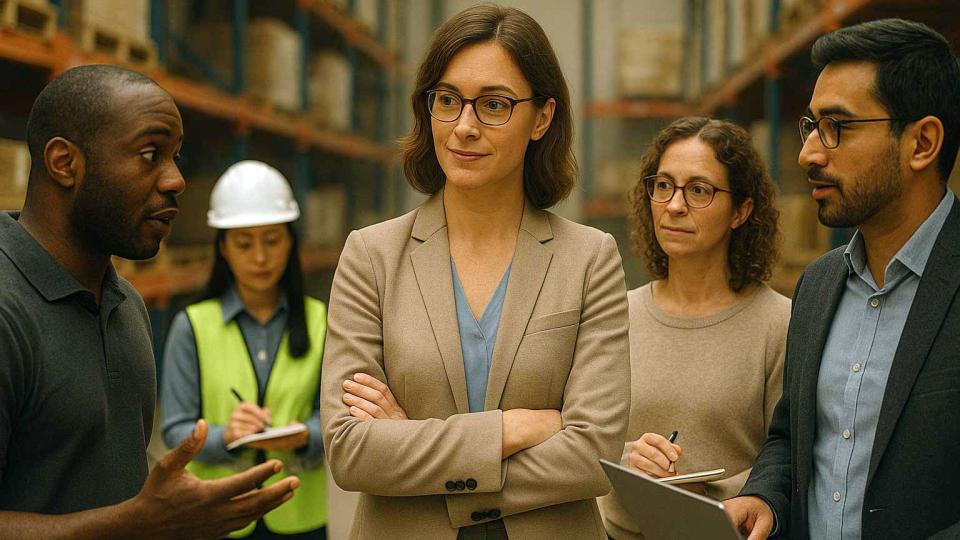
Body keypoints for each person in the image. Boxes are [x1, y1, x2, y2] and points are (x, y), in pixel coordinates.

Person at [318, 5, 630, 539]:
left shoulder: (588, 259)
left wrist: (413, 447)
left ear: (542, 118)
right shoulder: (371, 256)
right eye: (447, 101)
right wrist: (512, 428)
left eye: (494, 105)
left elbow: (593, 453)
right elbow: (351, 451)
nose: (464, 127)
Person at [0, 65, 298, 538]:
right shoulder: (7, 311)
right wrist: (139, 523)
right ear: (64, 163)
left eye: (175, 157)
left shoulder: (127, 306)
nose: (176, 180)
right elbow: (132, 519)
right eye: (149, 155)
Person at [724, 18, 960, 540]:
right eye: (811, 126)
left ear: (922, 143)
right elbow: (790, 435)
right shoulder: (819, 285)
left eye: (838, 126)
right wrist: (765, 497)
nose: (809, 153)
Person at [599, 117, 789, 539]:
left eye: (699, 190)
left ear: (741, 211)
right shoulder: (615, 316)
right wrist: (634, 463)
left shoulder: (780, 323)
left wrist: (701, 493)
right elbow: (587, 445)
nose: (674, 205)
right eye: (664, 186)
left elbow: (790, 458)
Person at [161, 161, 327, 539]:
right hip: (215, 516)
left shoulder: (322, 321)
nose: (260, 258)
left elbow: (337, 420)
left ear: (290, 242)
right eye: (244, 243)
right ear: (223, 247)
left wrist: (305, 435)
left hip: (300, 516)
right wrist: (225, 436)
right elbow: (174, 430)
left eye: (272, 240)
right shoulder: (192, 326)